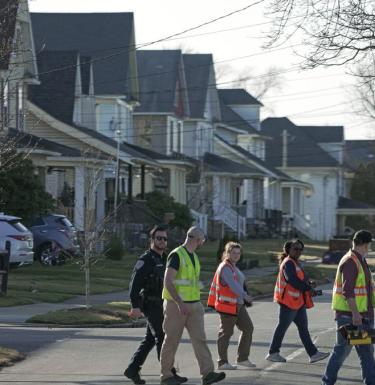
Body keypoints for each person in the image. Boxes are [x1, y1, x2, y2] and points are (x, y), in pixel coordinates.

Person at [160, 226, 226, 385]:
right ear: (198, 240)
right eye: (202, 240)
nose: (202, 243)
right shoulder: (176, 255)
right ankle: (166, 376)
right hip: (176, 306)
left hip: (194, 306)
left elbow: (190, 282)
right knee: (171, 341)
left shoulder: (193, 257)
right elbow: (168, 282)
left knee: (200, 340)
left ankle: (208, 373)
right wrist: (179, 303)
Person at [124, 225, 187, 385]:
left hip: (163, 304)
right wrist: (135, 306)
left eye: (165, 239)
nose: (162, 241)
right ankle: (168, 374)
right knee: (162, 336)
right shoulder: (145, 260)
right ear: (152, 240)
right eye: (159, 238)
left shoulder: (166, 258)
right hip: (150, 304)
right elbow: (134, 285)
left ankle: (132, 368)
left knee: (150, 339)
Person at [321, 230, 375, 385]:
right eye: (369, 244)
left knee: (366, 353)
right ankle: (327, 382)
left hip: (361, 316)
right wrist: (356, 314)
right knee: (341, 352)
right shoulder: (351, 261)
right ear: (365, 244)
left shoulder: (360, 260)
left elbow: (366, 290)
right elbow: (348, 291)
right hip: (351, 318)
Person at [266, 239, 329, 363]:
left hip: (297, 302)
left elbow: (300, 279)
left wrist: (309, 284)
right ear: (288, 250)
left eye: (301, 249)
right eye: (296, 249)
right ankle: (273, 353)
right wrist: (308, 288)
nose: (298, 251)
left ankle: (313, 354)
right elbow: (292, 280)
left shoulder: (296, 263)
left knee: (303, 329)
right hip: (288, 302)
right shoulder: (288, 263)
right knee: (282, 327)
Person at [207, 241, 255, 370]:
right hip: (227, 306)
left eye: (238, 253)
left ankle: (243, 359)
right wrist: (245, 295)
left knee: (248, 328)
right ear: (227, 253)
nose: (236, 255)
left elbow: (240, 283)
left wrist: (245, 297)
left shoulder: (233, 267)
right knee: (226, 333)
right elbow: (233, 286)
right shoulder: (225, 267)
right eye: (233, 253)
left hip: (238, 305)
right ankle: (222, 362)